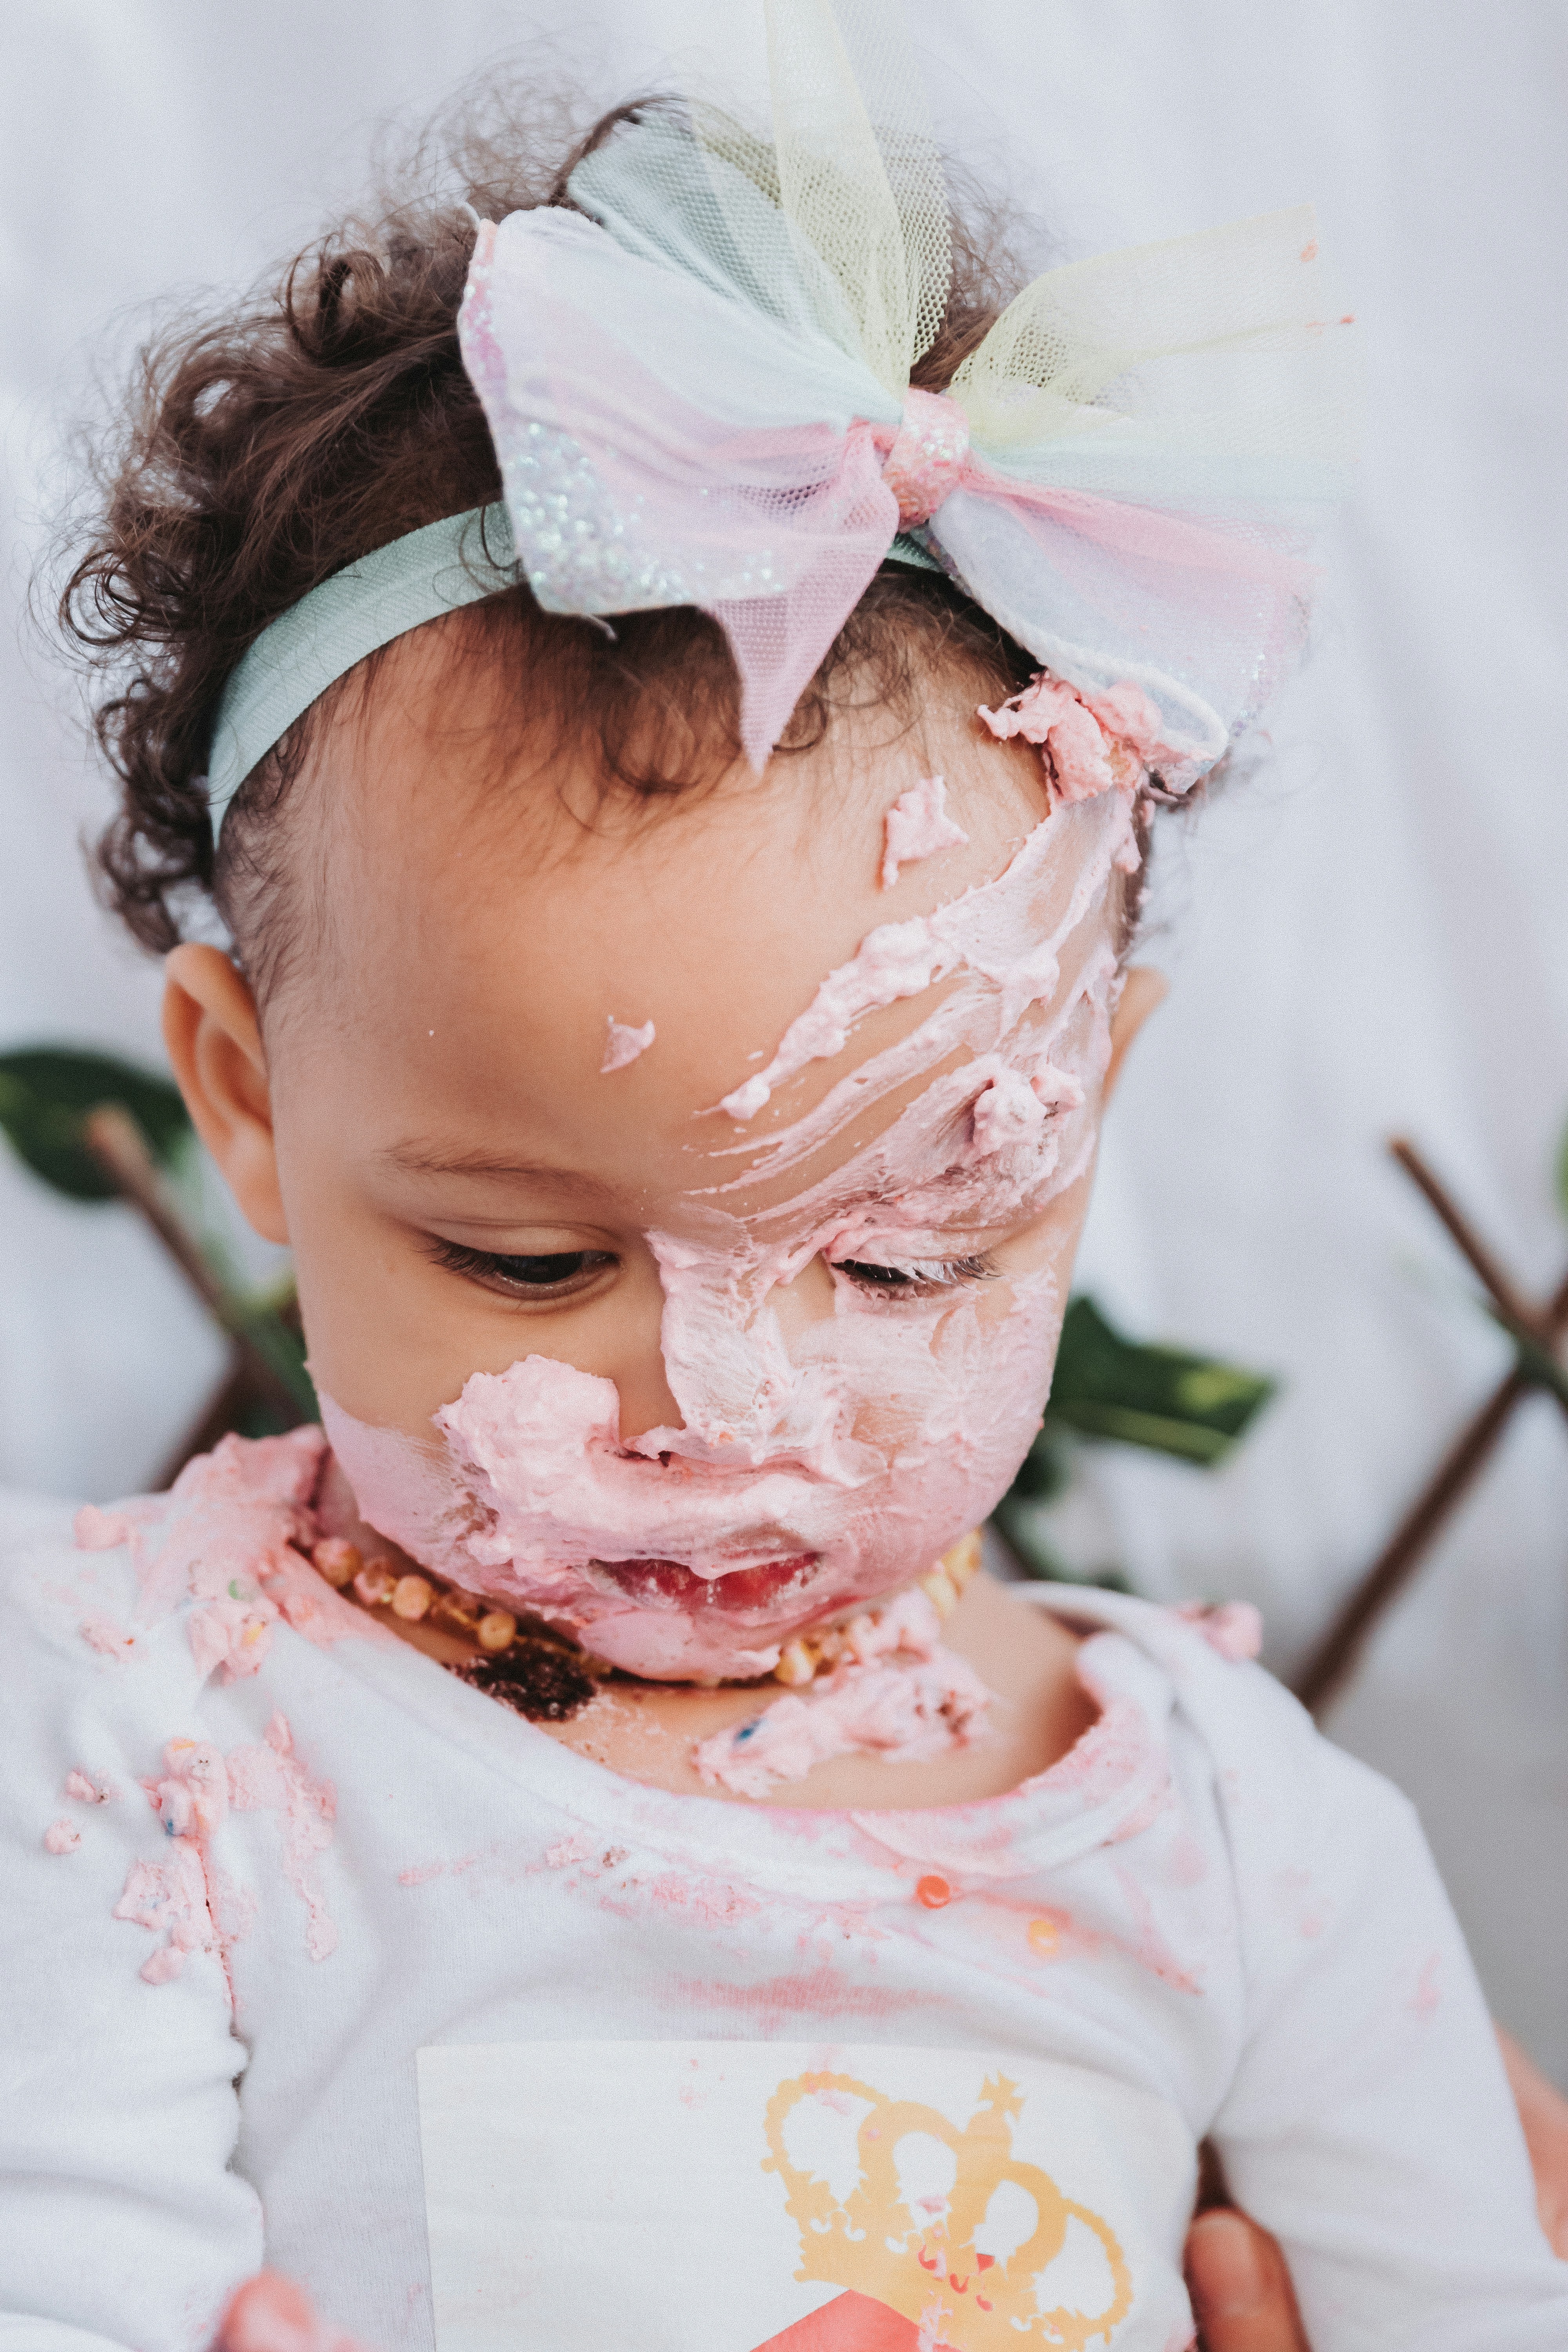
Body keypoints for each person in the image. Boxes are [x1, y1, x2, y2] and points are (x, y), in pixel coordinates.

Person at [6, 7, 1566, 2346]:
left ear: (1090, 1111)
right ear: (243, 1101)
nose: (729, 1412)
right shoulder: (125, 1725)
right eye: (528, 1257)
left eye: (916, 1256)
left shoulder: (1241, 1835)